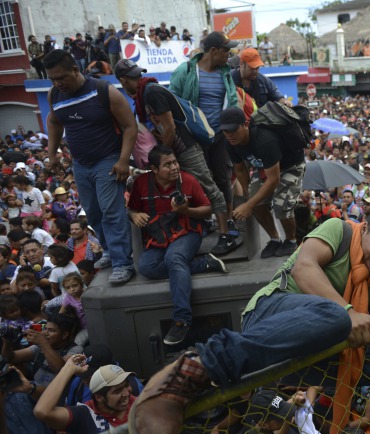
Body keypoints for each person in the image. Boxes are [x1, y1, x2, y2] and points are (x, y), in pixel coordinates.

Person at [128, 204, 370, 434]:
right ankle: (196, 366)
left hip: (321, 343)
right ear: (366, 227)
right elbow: (303, 269)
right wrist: (347, 312)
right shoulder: (339, 229)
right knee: (334, 315)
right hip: (271, 314)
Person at [115, 59, 232, 256]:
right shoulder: (144, 95)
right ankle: (203, 224)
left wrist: (164, 154)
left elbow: (170, 126)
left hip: (185, 147)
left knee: (208, 187)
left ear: (124, 81)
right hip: (174, 150)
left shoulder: (152, 92)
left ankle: (226, 235)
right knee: (184, 189)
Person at [44, 49, 136, 285]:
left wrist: (123, 160)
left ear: (75, 70)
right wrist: (52, 154)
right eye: (53, 79)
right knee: (93, 213)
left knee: (111, 211)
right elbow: (54, 121)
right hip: (81, 165)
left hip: (108, 160)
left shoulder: (104, 91)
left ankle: (123, 263)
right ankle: (108, 251)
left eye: (61, 77)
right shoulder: (54, 94)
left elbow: (129, 126)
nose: (58, 83)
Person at [127, 146, 229, 344]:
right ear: (154, 169)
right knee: (146, 267)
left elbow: (208, 211)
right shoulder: (140, 184)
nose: (174, 167)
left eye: (175, 162)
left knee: (174, 258)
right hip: (159, 237)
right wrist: (135, 215)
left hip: (188, 232)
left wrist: (186, 210)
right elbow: (131, 209)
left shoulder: (188, 180)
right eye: (167, 165)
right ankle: (204, 264)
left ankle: (182, 320)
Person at [170, 32, 240, 255]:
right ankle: (207, 221)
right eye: (226, 50)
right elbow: (171, 100)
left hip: (220, 135)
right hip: (194, 136)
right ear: (213, 51)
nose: (229, 54)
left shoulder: (226, 72)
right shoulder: (187, 71)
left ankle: (228, 222)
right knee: (200, 182)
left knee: (223, 178)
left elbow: (233, 100)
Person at [220, 107, 305, 258]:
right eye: (226, 131)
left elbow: (274, 179)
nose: (230, 135)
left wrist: (249, 204)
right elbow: (239, 170)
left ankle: (291, 240)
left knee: (282, 205)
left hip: (290, 165)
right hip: (265, 167)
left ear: (245, 124)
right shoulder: (230, 143)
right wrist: (248, 196)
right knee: (256, 204)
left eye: (233, 130)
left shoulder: (265, 140)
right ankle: (274, 239)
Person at [33, 355, 136, 434]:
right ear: (99, 397)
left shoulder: (138, 405)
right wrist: (68, 369)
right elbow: (42, 411)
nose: (126, 393)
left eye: (126, 385)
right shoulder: (85, 415)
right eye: (117, 391)